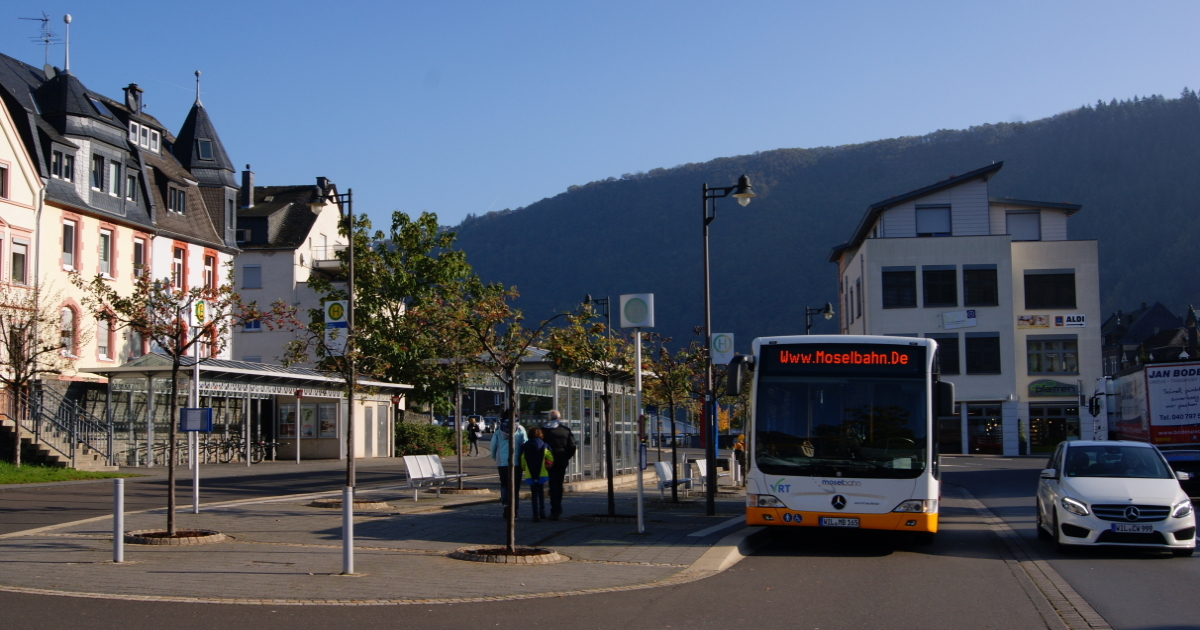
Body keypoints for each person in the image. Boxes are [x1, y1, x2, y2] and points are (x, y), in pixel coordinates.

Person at [541, 409, 576, 521]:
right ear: (559, 418)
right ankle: (557, 508)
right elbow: (572, 446)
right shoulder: (566, 430)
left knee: (552, 484)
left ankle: (554, 509)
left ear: (549, 419)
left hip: (549, 461)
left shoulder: (544, 430)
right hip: (561, 460)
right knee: (559, 484)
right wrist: (566, 457)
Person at [490, 415, 527, 519]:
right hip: (516, 463)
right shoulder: (520, 429)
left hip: (502, 463)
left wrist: (494, 457)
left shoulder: (498, 429)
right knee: (515, 487)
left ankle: (506, 505)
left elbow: (493, 446)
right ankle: (514, 510)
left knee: (504, 484)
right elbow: (525, 444)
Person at [521, 427, 554, 522]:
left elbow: (523, 460)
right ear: (540, 434)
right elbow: (550, 457)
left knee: (534, 494)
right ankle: (542, 511)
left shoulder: (525, 446)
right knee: (541, 492)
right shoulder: (545, 446)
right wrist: (548, 465)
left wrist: (524, 468)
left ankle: (535, 515)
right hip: (542, 473)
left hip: (530, 474)